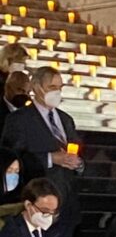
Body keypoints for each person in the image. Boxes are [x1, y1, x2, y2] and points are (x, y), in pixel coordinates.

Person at [1, 67, 84, 224]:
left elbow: (79, 152)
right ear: (36, 87)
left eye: (60, 88)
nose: (57, 92)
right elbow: (11, 159)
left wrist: (78, 163)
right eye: (52, 87)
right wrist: (50, 158)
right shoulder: (19, 119)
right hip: (37, 202)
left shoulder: (66, 119)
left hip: (66, 202)